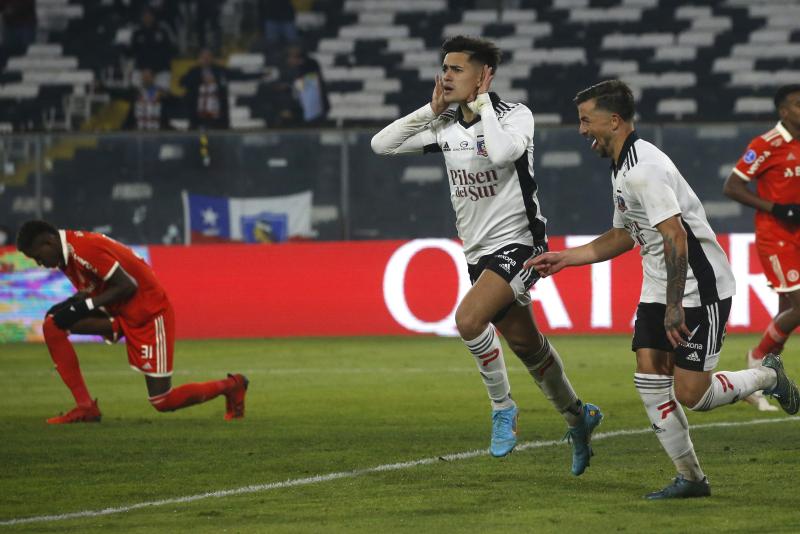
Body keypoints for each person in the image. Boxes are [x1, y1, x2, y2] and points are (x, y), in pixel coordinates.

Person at [529, 80, 799, 499]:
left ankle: (767, 375)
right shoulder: (623, 165)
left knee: (694, 395)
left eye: (587, 120)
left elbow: (675, 237)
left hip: (699, 290)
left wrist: (675, 306)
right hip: (660, 287)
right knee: (649, 380)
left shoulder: (643, 170)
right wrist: (565, 258)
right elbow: (623, 235)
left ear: (613, 120)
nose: (581, 129)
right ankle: (691, 479)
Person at [371, 36, 603, 474]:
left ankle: (502, 408)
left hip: (520, 243)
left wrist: (484, 108)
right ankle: (578, 416)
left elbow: (502, 152)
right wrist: (431, 111)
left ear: (485, 75)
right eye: (444, 68)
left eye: (457, 69)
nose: (446, 75)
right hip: (477, 253)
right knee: (526, 345)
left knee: (468, 320)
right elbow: (381, 145)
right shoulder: (443, 127)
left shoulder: (516, 116)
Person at [16, 220, 249, 424]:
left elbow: (127, 286)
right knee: (53, 324)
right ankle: (86, 408)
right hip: (119, 312)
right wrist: (73, 303)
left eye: (37, 257)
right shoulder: (65, 255)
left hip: (148, 313)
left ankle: (232, 386)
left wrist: (83, 306)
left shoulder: (83, 249)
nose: (39, 263)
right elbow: (93, 287)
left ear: (48, 242)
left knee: (162, 400)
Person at [722, 84, 800, 412]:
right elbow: (732, 186)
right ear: (783, 111)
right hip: (776, 235)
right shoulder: (766, 144)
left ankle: (766, 378)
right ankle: (756, 360)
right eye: (798, 104)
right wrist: (776, 208)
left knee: (787, 309)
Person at [179, 48, 230, 129]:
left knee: (214, 136)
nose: (206, 59)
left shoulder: (219, 70)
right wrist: (201, 79)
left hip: (216, 113)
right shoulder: (194, 71)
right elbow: (182, 82)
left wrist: (215, 80)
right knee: (202, 139)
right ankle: (202, 141)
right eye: (203, 57)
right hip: (198, 113)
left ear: (212, 58)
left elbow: (233, 76)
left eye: (208, 57)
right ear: (199, 59)